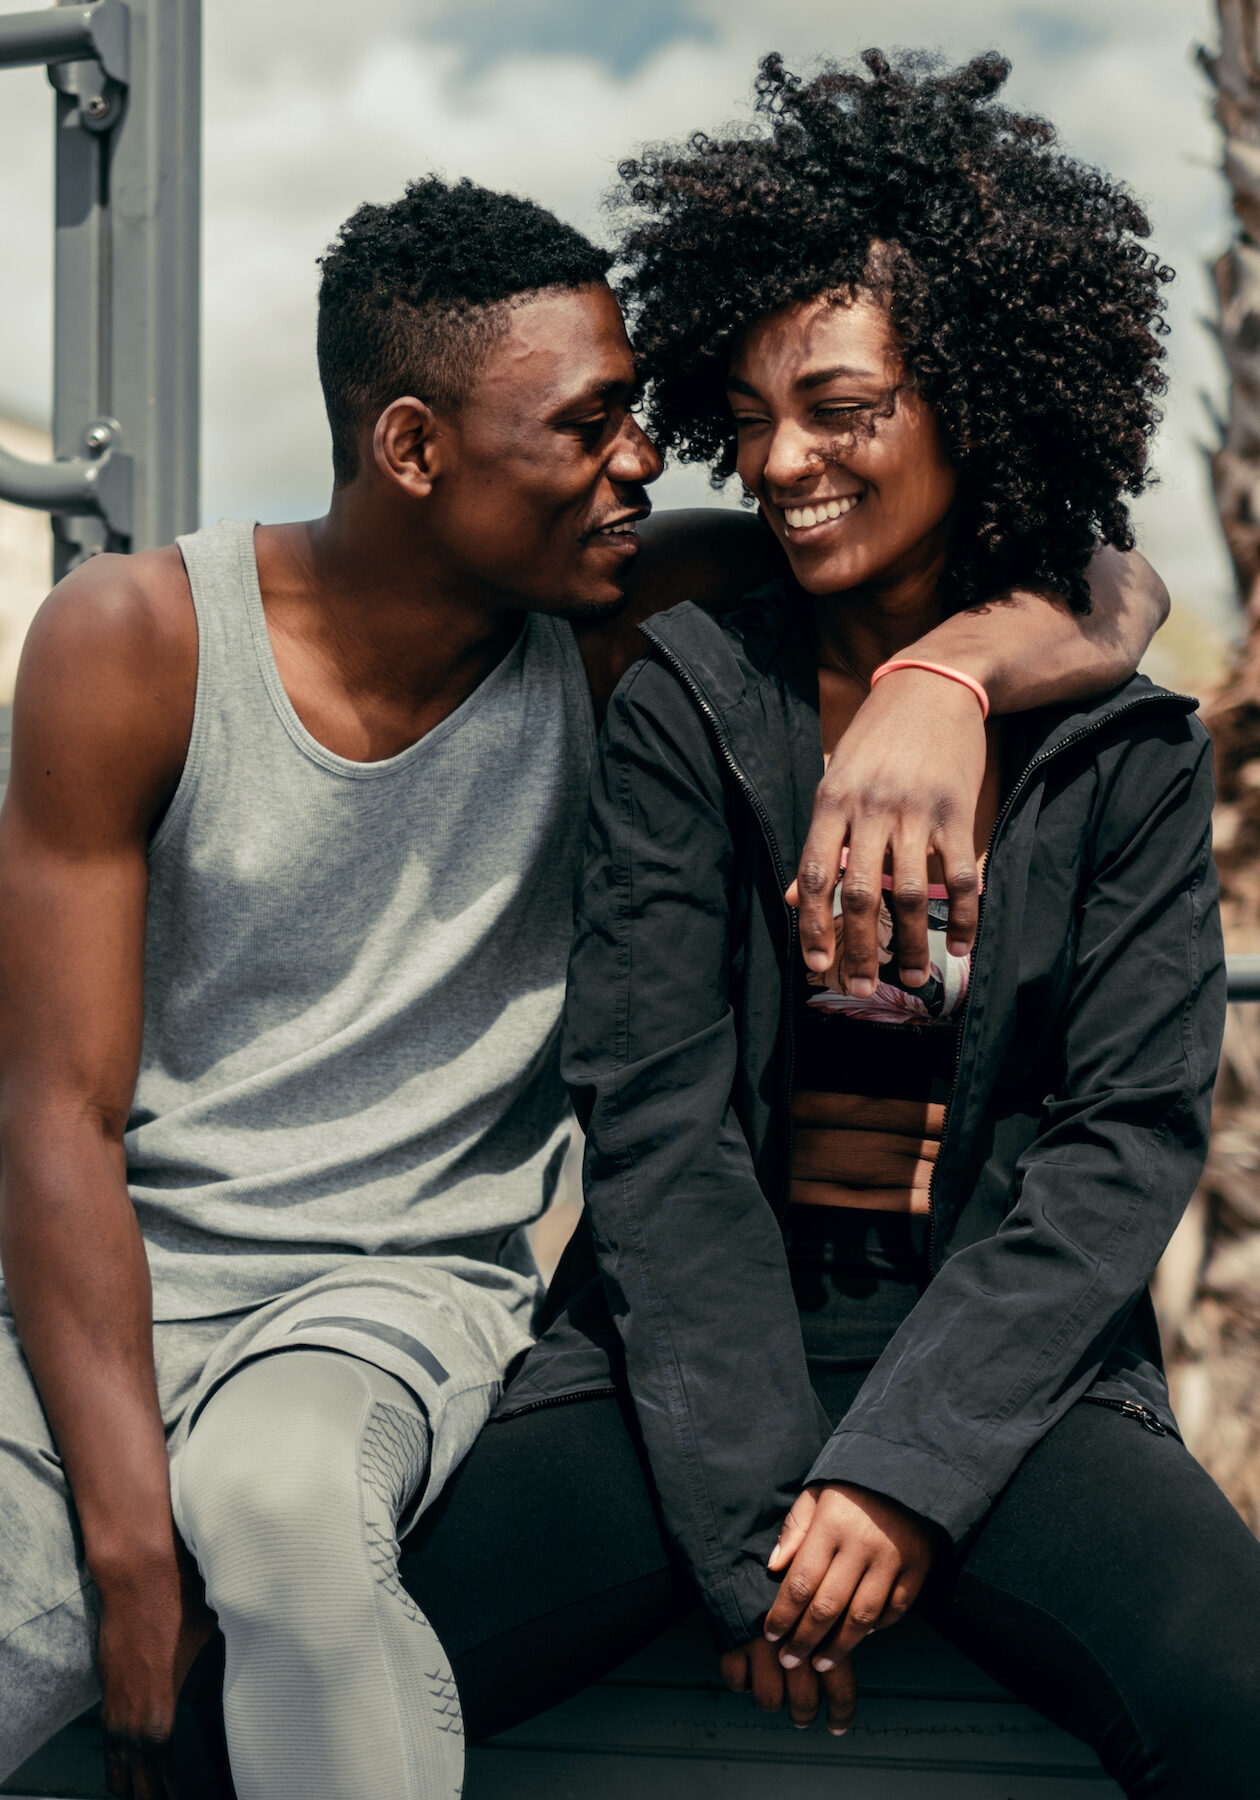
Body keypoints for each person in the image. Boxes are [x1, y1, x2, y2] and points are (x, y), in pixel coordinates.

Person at [0, 171, 1165, 1800]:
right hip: (133, 1301)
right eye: (598, 421)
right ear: (413, 448)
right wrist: (126, 1546)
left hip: (392, 1314)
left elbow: (1108, 584)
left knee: (286, 1536)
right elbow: (50, 1109)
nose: (659, 460)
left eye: (644, 412)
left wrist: (941, 676)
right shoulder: (142, 637)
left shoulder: (620, 616)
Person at [499, 49, 1259, 1800]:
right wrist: (760, 1516)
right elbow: (656, 1112)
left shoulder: (1126, 747)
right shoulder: (691, 691)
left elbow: (1121, 1141)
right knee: (328, 1670)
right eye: (755, 415)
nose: (783, 461)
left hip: (1007, 1355)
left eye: (842, 407)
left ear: (977, 395)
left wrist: (904, 1472)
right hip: (678, 1349)